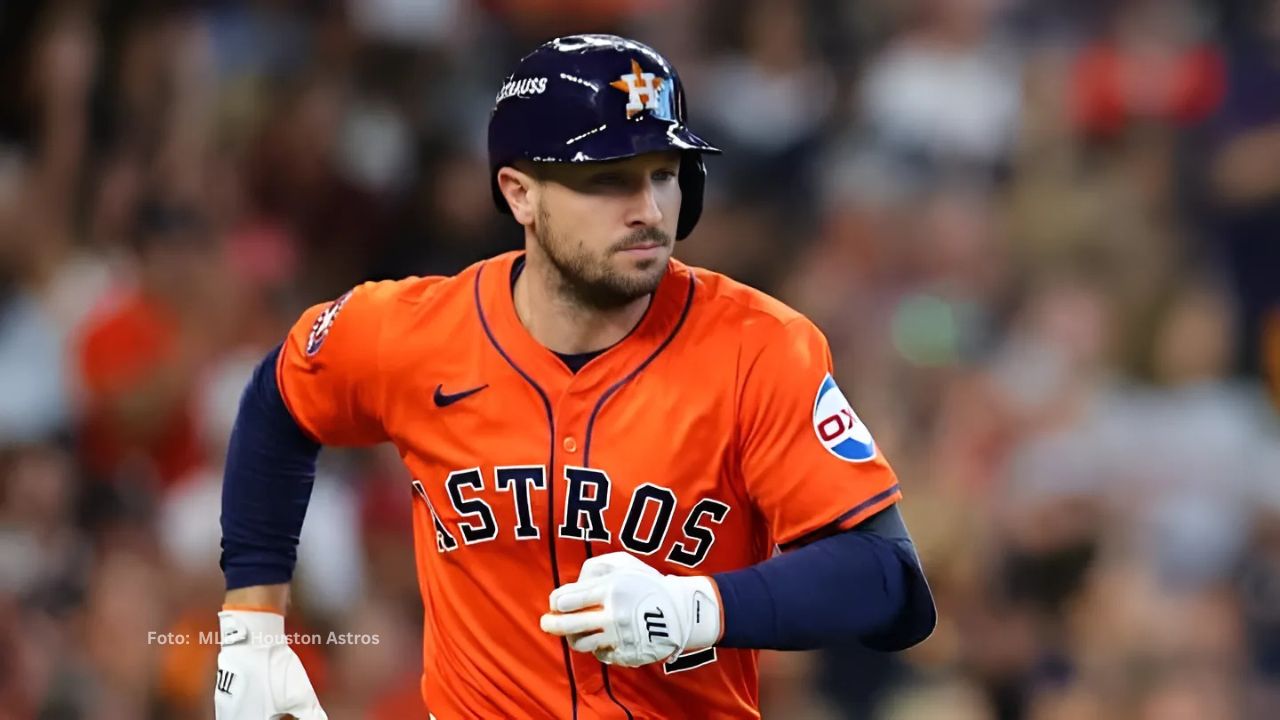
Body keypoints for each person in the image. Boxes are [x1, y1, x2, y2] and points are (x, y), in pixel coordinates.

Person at [215, 34, 935, 720]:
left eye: (663, 174)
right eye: (608, 180)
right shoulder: (413, 332)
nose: (649, 210)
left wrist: (695, 609)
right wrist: (252, 625)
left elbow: (884, 575)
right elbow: (278, 402)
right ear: (520, 194)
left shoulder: (759, 348)